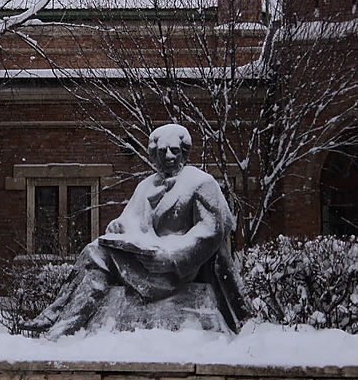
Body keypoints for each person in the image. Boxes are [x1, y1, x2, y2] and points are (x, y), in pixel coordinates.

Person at [24, 124, 249, 337]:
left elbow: (210, 231)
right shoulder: (146, 186)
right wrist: (118, 227)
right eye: (163, 152)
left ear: (184, 153)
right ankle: (62, 325)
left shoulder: (201, 183)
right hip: (145, 260)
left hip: (173, 270)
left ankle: (58, 320)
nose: (169, 157)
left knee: (95, 255)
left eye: (174, 151)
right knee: (95, 252)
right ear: (155, 155)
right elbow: (131, 221)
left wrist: (171, 258)